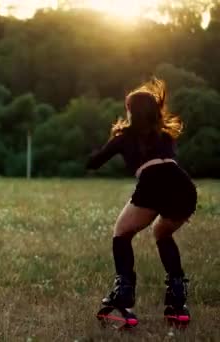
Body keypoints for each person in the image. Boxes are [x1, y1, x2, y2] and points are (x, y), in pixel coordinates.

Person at [87, 78, 196, 325]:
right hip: (183, 185)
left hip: (153, 182)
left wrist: (91, 152)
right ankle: (177, 298)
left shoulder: (124, 137)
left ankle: (124, 291)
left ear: (131, 111)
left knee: (121, 233)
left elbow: (95, 162)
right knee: (162, 233)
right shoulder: (165, 135)